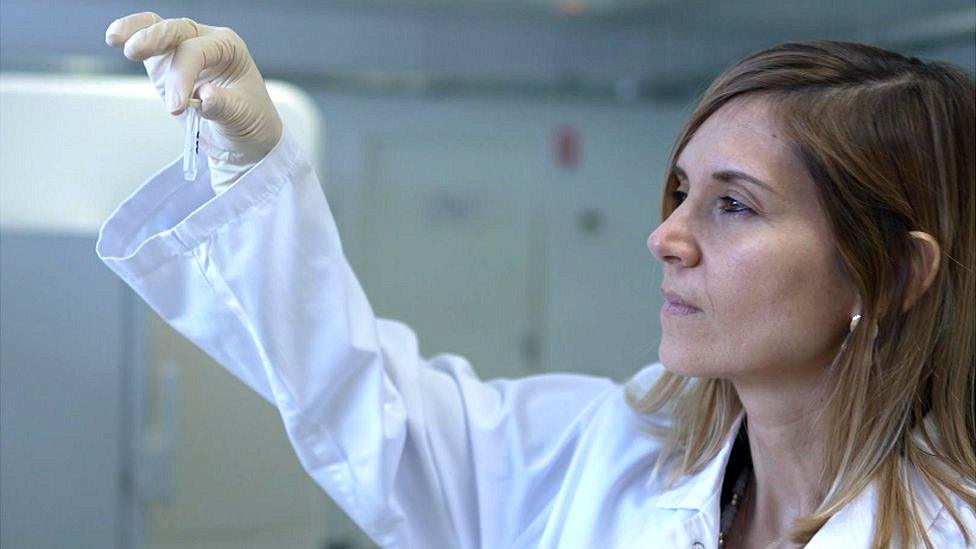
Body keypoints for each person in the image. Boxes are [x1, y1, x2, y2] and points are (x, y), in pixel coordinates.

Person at [98, 11, 975, 548]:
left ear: (894, 271)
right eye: (679, 191)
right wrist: (256, 172)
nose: (666, 235)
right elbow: (380, 420)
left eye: (733, 205)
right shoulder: (614, 454)